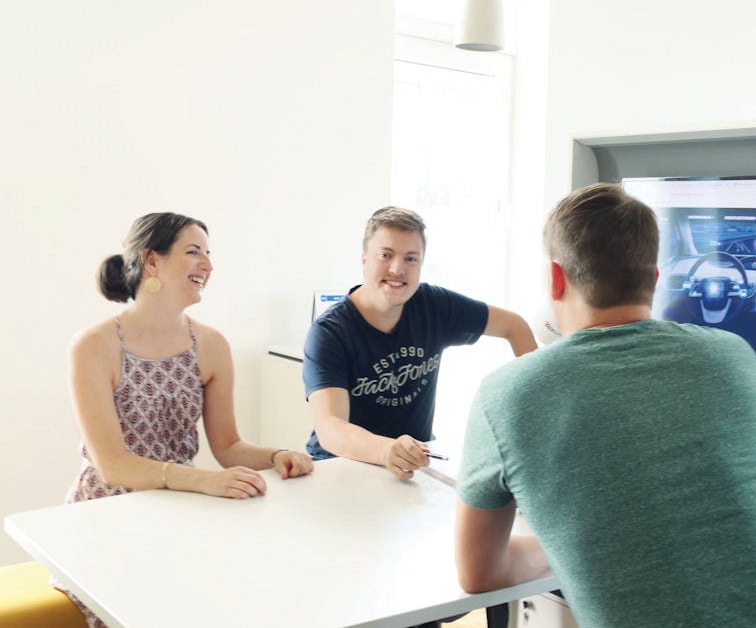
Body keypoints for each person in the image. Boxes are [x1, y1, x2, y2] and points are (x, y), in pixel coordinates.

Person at [453, 184, 756, 627]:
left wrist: (566, 540)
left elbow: (480, 574)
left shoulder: (507, 394)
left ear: (555, 279)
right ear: (654, 280)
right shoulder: (733, 357)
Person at [61, 212, 314, 627]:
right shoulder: (93, 346)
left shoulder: (211, 345)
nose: (208, 266)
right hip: (104, 519)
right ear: (152, 261)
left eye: (209, 255)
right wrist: (205, 480)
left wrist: (280, 454)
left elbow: (229, 446)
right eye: (194, 252)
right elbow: (113, 465)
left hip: (181, 510)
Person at [303, 205, 538, 480]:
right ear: (364, 259)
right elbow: (330, 428)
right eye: (385, 255)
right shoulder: (329, 332)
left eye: (411, 259)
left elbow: (514, 326)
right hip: (340, 467)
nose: (397, 269)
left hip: (413, 466)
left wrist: (536, 410)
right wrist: (386, 449)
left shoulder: (433, 305)